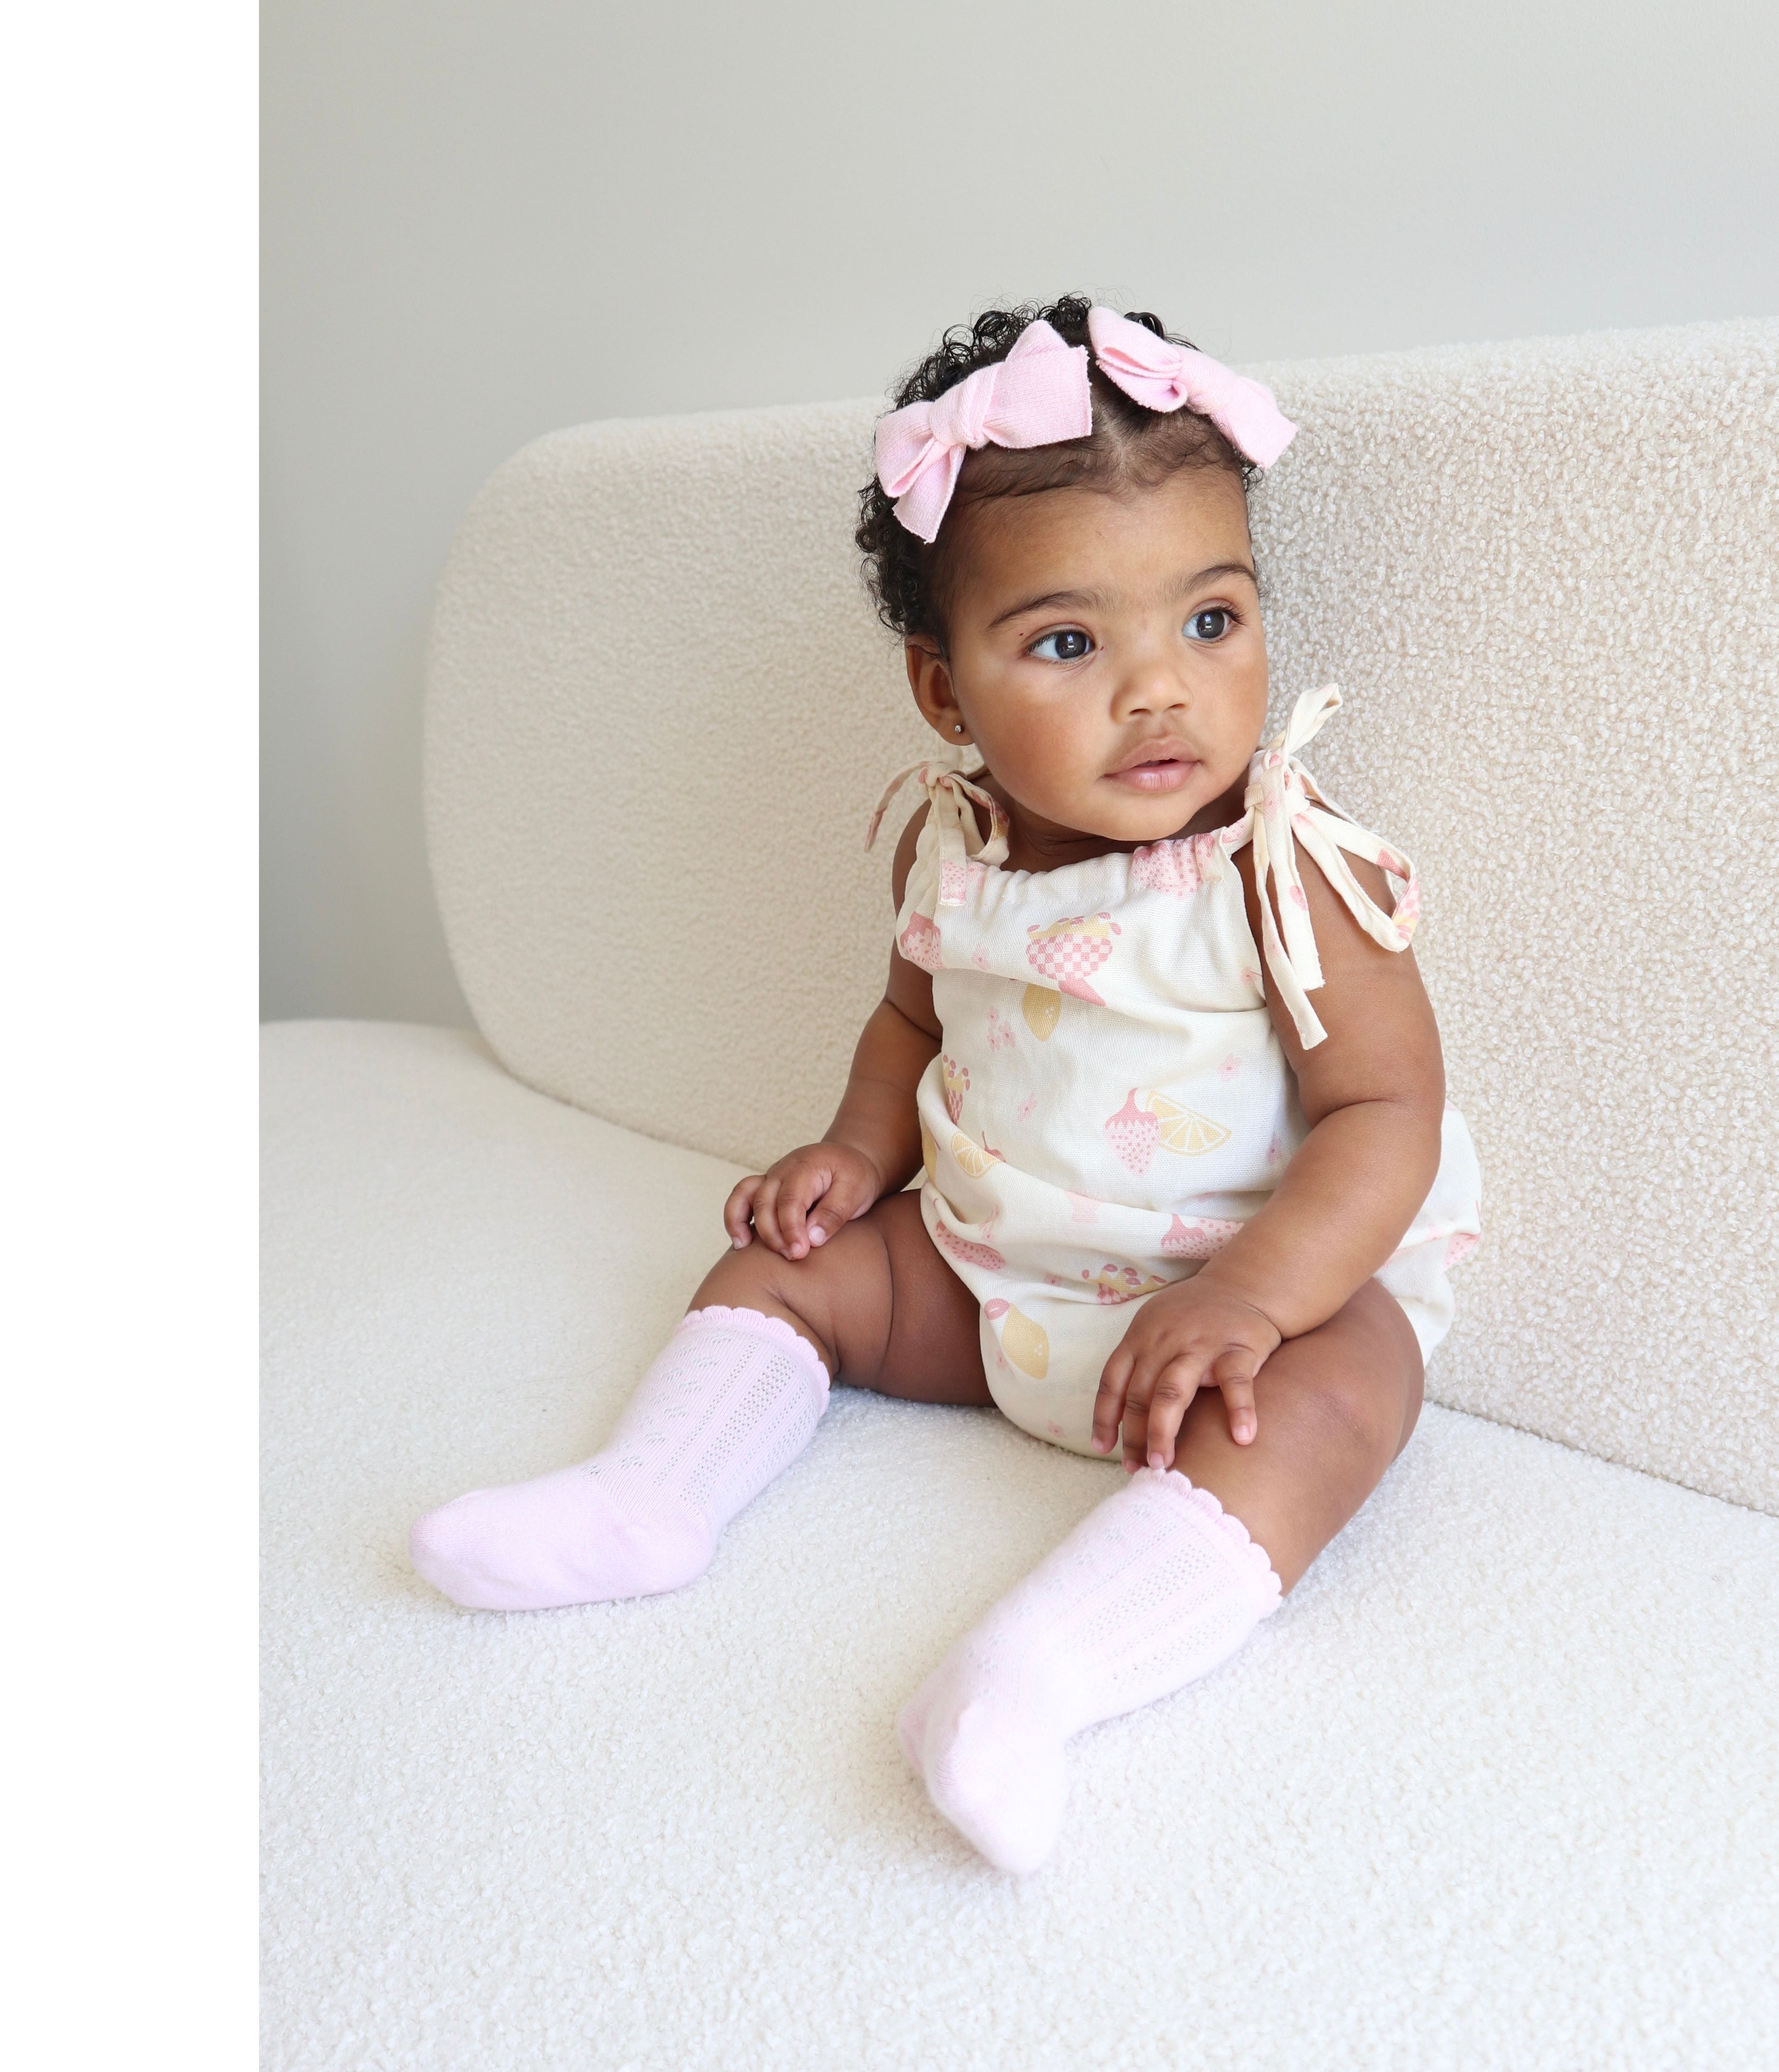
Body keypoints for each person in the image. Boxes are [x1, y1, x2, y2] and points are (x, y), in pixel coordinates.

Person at [410, 297, 1481, 1873]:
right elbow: (911, 1022)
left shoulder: (1282, 869)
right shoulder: (953, 851)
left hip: (1239, 1308)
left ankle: (1041, 1673)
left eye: (1211, 621)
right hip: (986, 1282)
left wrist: (1252, 1297)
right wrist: (854, 1156)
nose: (1161, 689)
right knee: (787, 1263)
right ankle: (647, 1495)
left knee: (1356, 1384)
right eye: (1069, 643)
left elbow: (1389, 1115)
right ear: (943, 690)